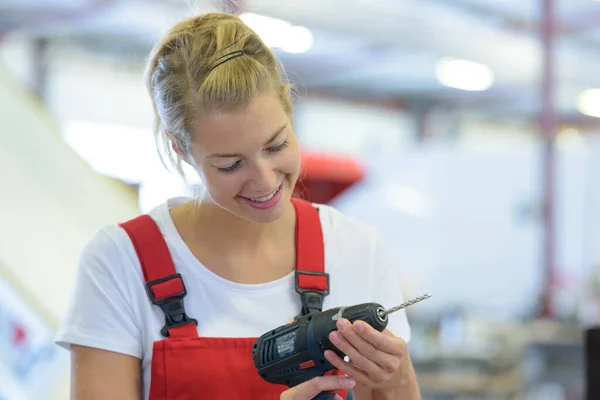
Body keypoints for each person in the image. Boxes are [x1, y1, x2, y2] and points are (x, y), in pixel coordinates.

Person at [55, 12, 420, 400]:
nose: (265, 181)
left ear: (288, 107)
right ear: (181, 149)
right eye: (230, 164)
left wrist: (394, 379)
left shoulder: (356, 249)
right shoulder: (120, 262)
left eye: (276, 146)